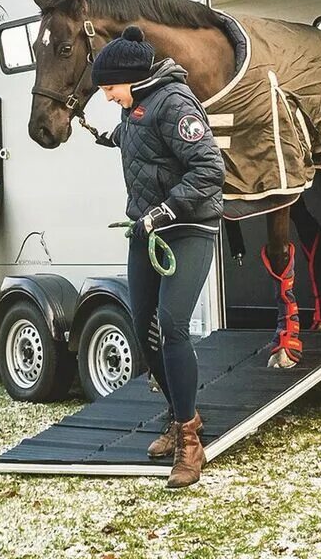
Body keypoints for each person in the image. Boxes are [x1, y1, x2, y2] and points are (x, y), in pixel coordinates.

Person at [92, 25, 224, 489]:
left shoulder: (176, 103)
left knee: (171, 326)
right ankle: (177, 411)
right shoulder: (134, 109)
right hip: (145, 229)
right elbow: (145, 143)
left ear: (131, 78)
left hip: (187, 228)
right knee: (140, 323)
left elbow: (210, 168)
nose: (106, 97)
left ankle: (190, 441)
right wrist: (104, 136)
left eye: (109, 88)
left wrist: (166, 210)